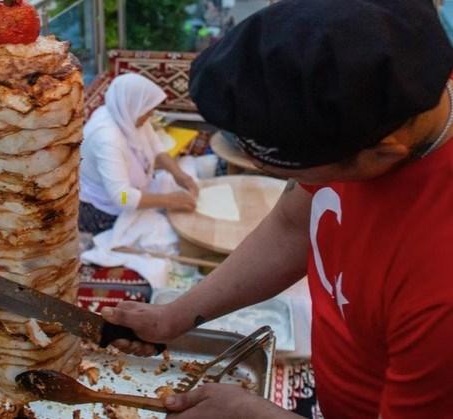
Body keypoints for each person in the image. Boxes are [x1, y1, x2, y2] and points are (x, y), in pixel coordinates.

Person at [99, 0, 453, 418]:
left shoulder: (439, 287)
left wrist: (250, 414)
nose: (291, 183)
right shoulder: (371, 103)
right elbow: (292, 225)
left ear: (382, 154)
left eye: (289, 171)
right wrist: (174, 317)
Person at [79, 73, 199, 235]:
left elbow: (156, 147)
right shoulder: (107, 140)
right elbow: (121, 196)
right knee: (165, 235)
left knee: (179, 183)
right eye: (148, 110)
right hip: (104, 206)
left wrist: (179, 174)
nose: (151, 115)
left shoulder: (128, 115)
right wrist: (169, 200)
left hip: (128, 190)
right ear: (133, 106)